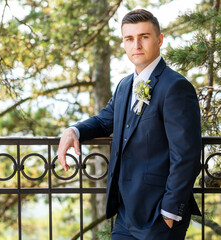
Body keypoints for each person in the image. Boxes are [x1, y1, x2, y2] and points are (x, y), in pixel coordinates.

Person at [58, 9, 201, 240]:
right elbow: (105, 120)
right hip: (125, 216)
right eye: (129, 38)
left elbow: (187, 155)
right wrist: (73, 130)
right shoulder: (125, 85)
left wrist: (169, 212)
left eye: (144, 37)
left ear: (159, 39)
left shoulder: (175, 87)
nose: (137, 45)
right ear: (124, 43)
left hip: (159, 216)